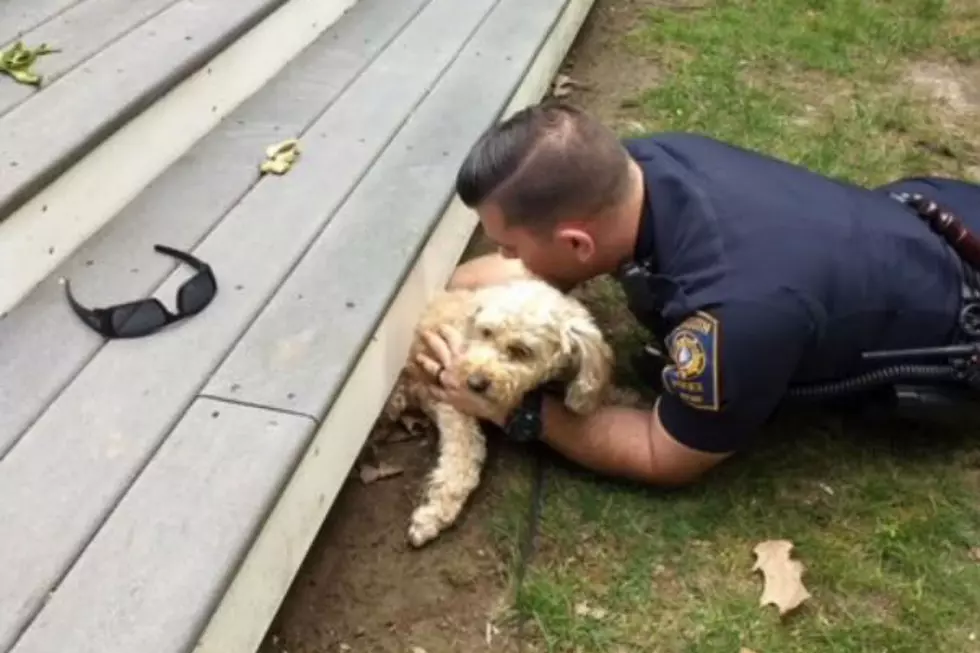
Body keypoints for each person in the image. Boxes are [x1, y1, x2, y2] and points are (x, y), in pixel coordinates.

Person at [414, 100, 980, 487]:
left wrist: (516, 406)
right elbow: (527, 272)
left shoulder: (733, 316)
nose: (506, 261)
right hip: (934, 220)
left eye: (510, 248)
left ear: (579, 243)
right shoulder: (650, 164)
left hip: (954, 337)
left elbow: (664, 453)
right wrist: (456, 307)